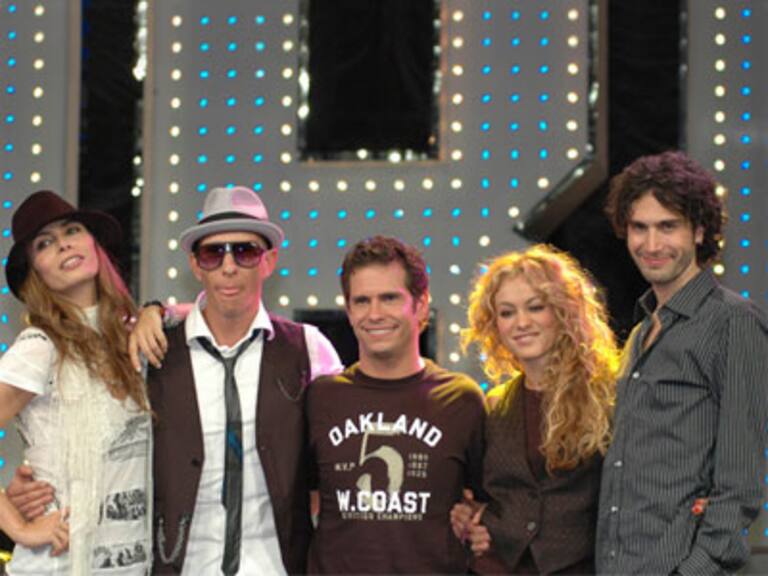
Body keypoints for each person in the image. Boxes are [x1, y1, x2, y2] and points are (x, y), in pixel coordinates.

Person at [137, 186, 341, 575]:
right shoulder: (154, 351)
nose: (228, 267)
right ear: (195, 265)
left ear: (269, 260)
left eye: (245, 252)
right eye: (213, 253)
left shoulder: (310, 349)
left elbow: (343, 456)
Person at [597, 150, 768, 574]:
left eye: (668, 226)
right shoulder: (641, 332)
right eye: (639, 227)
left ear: (700, 230)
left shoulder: (733, 322)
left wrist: (693, 570)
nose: (651, 245)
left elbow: (740, 483)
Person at [306, 235, 487, 574]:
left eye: (389, 298)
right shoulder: (320, 398)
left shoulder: (461, 399)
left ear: (420, 305)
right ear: (349, 311)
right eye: (362, 301)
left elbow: (486, 504)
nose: (374, 314)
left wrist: (474, 519)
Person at [0, 190, 151, 574]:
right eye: (45, 243)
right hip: (60, 565)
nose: (64, 243)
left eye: (72, 230)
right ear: (35, 273)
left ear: (94, 244)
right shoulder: (40, 347)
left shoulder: (131, 338)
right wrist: (19, 527)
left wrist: (156, 310)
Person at [451, 244, 618, 574]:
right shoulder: (495, 404)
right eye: (507, 312)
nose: (521, 323)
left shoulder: (609, 395)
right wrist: (471, 514)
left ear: (564, 311)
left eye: (535, 307)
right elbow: (484, 494)